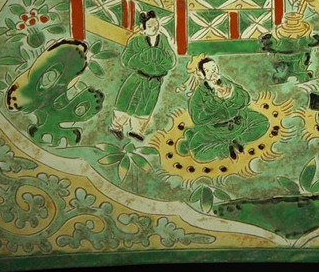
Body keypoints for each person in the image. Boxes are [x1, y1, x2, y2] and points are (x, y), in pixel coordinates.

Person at [177, 57, 269, 162]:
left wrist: (231, 96)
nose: (213, 72)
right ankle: (226, 148)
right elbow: (197, 118)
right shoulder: (200, 93)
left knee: (262, 122)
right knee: (198, 152)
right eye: (208, 70)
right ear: (202, 74)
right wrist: (216, 101)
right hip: (216, 131)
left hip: (239, 121)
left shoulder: (225, 82)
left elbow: (245, 97)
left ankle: (238, 141)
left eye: (214, 68)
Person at [110, 10, 175, 141]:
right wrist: (143, 57)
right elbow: (126, 61)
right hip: (138, 78)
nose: (154, 28)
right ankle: (116, 126)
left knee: (146, 106)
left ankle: (136, 130)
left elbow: (171, 62)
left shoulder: (162, 40)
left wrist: (159, 55)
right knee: (126, 101)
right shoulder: (136, 41)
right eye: (150, 26)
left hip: (155, 81)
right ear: (143, 28)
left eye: (156, 25)